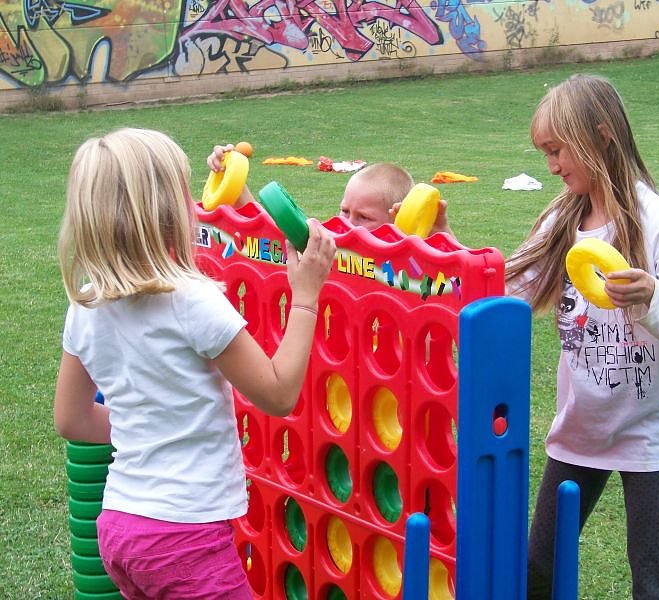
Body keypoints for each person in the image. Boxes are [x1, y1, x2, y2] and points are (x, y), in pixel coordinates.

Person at [53, 127, 336, 598]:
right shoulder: (193, 302)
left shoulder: (85, 305)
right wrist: (306, 296)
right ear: (169, 211)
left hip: (120, 527)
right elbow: (279, 393)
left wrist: (145, 426)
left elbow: (72, 419)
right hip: (184, 538)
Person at [504, 74, 659, 599]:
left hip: (651, 438)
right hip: (580, 431)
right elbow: (509, 291)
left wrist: (653, 301)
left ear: (600, 135)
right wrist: (446, 246)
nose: (550, 166)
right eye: (545, 153)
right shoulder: (562, 217)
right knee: (538, 568)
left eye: (557, 150)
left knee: (653, 579)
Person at [206, 144, 454, 235]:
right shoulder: (332, 245)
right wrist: (232, 180)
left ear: (398, 219)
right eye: (345, 211)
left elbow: (459, 278)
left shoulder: (406, 260)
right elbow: (271, 229)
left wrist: (443, 233)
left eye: (364, 217)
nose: (348, 223)